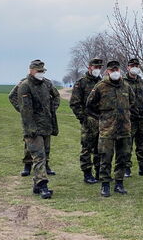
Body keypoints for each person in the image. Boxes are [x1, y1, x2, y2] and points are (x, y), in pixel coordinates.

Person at [86, 60, 135, 197]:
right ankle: (105, 185)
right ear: (107, 71)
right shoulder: (100, 86)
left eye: (117, 69)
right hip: (107, 129)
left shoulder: (126, 86)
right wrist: (101, 117)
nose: (115, 72)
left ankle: (119, 183)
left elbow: (132, 101)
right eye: (112, 70)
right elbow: (89, 105)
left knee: (123, 157)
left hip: (124, 129)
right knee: (105, 158)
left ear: (120, 70)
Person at [16, 59, 61, 199]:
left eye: (42, 71)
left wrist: (51, 110)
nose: (41, 73)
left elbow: (56, 96)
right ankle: (43, 186)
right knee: (39, 156)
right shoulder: (25, 85)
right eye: (38, 71)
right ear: (31, 70)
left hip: (46, 125)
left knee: (44, 154)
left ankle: (36, 184)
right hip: (32, 128)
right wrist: (29, 125)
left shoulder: (47, 83)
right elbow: (24, 108)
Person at [70, 58, 103, 184]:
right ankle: (87, 174)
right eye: (95, 67)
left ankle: (100, 172)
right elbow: (74, 103)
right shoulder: (81, 83)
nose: (97, 69)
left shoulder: (101, 82)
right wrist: (83, 118)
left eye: (99, 67)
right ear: (89, 67)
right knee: (87, 148)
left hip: (101, 121)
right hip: (88, 121)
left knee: (100, 148)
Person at [123, 58, 143, 177]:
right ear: (128, 67)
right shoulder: (123, 82)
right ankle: (126, 168)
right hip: (130, 120)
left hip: (142, 120)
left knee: (142, 145)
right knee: (127, 145)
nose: (135, 67)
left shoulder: (142, 82)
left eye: (137, 65)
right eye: (132, 65)